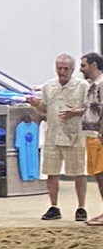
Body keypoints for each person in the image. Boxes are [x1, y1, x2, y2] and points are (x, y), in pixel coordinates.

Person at [24, 55, 89, 221]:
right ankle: (54, 206)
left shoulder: (82, 86)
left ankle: (81, 207)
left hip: (75, 134)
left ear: (72, 70)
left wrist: (76, 111)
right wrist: (36, 104)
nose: (62, 72)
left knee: (78, 172)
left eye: (66, 69)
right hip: (53, 133)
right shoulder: (49, 86)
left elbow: (90, 108)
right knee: (51, 172)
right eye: (59, 68)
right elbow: (44, 110)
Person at [82, 52, 103, 226]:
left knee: (102, 175)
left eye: (83, 65)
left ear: (93, 65)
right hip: (91, 135)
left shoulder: (101, 84)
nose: (81, 69)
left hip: (99, 135)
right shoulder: (92, 86)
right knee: (98, 175)